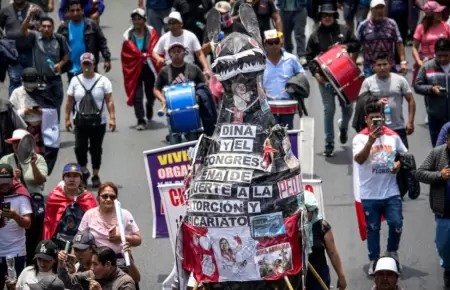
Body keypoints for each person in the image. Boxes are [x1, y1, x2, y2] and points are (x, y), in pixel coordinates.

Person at [352, 101, 407, 275]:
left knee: (396, 223)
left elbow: (404, 157)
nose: (376, 121)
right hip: (369, 194)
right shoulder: (359, 138)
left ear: (383, 118)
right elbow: (359, 160)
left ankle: (391, 252)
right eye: (372, 118)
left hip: (391, 191)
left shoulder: (393, 136)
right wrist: (370, 142)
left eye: (379, 117)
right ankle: (374, 260)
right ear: (366, 120)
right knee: (373, 229)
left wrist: (398, 164)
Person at [306, 3, 360, 157]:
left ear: (335, 16)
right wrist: (317, 75)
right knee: (329, 110)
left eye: (330, 15)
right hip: (325, 79)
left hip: (344, 77)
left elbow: (357, 44)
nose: (327, 18)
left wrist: (346, 47)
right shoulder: (315, 35)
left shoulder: (344, 30)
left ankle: (343, 127)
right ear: (321, 17)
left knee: (348, 108)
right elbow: (309, 58)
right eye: (324, 15)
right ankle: (329, 143)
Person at [65, 52, 116, 187]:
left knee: (96, 149)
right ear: (81, 65)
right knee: (79, 148)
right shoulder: (75, 80)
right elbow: (69, 101)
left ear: (94, 65)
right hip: (80, 121)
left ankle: (95, 174)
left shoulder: (103, 81)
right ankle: (84, 170)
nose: (87, 67)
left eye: (89, 64)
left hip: (98, 122)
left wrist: (112, 118)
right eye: (84, 64)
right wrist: (67, 119)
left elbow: (109, 100)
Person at [153, 42, 210, 144]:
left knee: (193, 143)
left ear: (185, 52)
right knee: (174, 144)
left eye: (179, 51)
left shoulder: (194, 68)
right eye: (173, 52)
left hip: (192, 114)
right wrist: (162, 100)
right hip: (172, 114)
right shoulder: (164, 71)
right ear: (169, 54)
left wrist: (198, 96)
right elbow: (156, 89)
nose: (176, 54)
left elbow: (205, 85)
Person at [415, 126, 450, 289]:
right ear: (448, 140)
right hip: (445, 213)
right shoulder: (437, 153)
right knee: (444, 245)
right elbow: (420, 173)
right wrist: (439, 175)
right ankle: (448, 269)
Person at [358, 52, 416, 148]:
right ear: (374, 67)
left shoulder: (400, 80)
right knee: (380, 159)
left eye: (385, 64)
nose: (382, 68)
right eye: (379, 65)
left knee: (403, 159)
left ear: (390, 65)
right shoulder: (368, 82)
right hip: (376, 129)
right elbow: (361, 103)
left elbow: (411, 100)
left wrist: (410, 121)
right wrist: (376, 103)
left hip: (398, 128)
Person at [9, 68, 60, 175]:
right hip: (24, 130)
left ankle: (39, 177)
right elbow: (11, 113)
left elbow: (53, 110)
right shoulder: (17, 93)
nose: (30, 88)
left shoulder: (44, 91)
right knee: (24, 157)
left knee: (41, 157)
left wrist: (41, 111)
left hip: (42, 130)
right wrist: (25, 111)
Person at [121, 8, 164, 130]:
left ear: (144, 20)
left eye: (139, 19)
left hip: (149, 66)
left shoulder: (151, 33)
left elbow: (155, 48)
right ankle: (140, 119)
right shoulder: (128, 35)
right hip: (135, 68)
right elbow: (126, 53)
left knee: (151, 92)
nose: (136, 21)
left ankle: (149, 104)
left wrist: (150, 56)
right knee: (137, 94)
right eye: (134, 19)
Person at [21, 12, 70, 118]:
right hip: (40, 81)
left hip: (55, 81)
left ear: (53, 28)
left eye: (49, 26)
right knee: (40, 112)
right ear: (39, 28)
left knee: (55, 112)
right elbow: (23, 29)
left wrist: (60, 64)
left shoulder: (59, 39)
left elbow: (67, 55)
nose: (46, 29)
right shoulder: (35, 37)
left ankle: (54, 133)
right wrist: (29, 15)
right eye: (44, 26)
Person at [77, 182, 142, 264]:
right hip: (95, 264)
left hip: (119, 262)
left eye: (112, 197)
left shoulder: (125, 215)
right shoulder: (89, 214)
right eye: (104, 196)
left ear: (116, 199)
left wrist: (122, 238)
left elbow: (138, 240)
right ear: (98, 198)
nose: (108, 199)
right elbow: (79, 240)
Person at [43, 163, 97, 250]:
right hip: (58, 245)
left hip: (81, 246)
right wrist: (47, 247)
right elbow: (48, 224)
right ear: (63, 178)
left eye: (75, 176)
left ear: (80, 179)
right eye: (68, 176)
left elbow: (94, 226)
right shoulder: (55, 196)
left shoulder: (88, 198)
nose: (72, 179)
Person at [57, 0, 111, 82]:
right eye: (72, 11)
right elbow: (57, 46)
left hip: (88, 67)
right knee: (75, 93)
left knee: (90, 92)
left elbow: (102, 42)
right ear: (68, 12)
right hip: (71, 69)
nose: (75, 13)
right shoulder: (63, 28)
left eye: (78, 10)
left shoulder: (92, 25)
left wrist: (107, 59)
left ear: (82, 11)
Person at [303, 190, 347, 290]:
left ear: (313, 211)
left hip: (319, 279)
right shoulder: (292, 229)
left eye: (307, 211)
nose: (304, 215)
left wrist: (341, 276)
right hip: (298, 280)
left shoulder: (322, 226)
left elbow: (333, 253)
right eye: (302, 211)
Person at [263, 29, 305, 130]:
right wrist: (262, 91)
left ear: (280, 43)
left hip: (287, 106)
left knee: (287, 137)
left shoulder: (291, 59)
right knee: (270, 139)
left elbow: (302, 76)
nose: (274, 46)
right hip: (267, 107)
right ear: (265, 44)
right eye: (270, 43)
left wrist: (293, 85)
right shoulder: (260, 62)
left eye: (276, 42)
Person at [0, 0, 45, 96]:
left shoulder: (35, 9)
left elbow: (46, 24)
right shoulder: (5, 11)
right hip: (13, 54)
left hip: (32, 53)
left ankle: (31, 108)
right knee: (15, 81)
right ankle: (14, 109)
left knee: (32, 82)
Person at [0, 164, 33, 289]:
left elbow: (28, 224)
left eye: (7, 180)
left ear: (12, 179)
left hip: (15, 253)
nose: (4, 184)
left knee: (15, 287)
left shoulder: (20, 195)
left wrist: (15, 216)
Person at [414, 37, 450, 147]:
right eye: (439, 56)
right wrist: (431, 89)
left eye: (446, 55)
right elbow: (417, 86)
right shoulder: (427, 66)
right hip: (436, 117)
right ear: (434, 53)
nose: (442, 59)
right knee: (438, 150)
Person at [356, 0, 407, 77]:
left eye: (382, 7)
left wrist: (402, 62)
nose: (379, 10)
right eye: (376, 8)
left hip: (389, 65)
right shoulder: (364, 25)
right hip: (370, 67)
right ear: (371, 9)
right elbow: (356, 45)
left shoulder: (392, 24)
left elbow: (399, 42)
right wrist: (353, 64)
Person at [154, 11, 209, 76]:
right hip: (170, 72)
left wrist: (206, 67)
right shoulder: (164, 38)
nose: (172, 26)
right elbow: (154, 52)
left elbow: (199, 54)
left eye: (174, 23)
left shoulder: (191, 36)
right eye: (170, 24)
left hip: (189, 71)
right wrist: (158, 58)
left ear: (181, 24)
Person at [57, 246, 136, 290]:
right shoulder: (91, 274)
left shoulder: (125, 282)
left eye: (95, 264)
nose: (91, 268)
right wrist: (61, 264)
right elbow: (66, 282)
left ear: (107, 264)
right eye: (92, 264)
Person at [412, 1, 450, 83]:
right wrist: (418, 61)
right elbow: (414, 48)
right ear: (430, 14)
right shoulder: (421, 27)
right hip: (427, 64)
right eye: (437, 12)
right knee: (429, 90)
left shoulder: (445, 26)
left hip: (444, 61)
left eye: (440, 11)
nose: (440, 13)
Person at [0, 129, 47, 194]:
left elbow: (40, 181)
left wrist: (33, 165)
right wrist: (14, 179)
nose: (16, 144)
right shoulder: (5, 160)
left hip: (34, 198)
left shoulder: (38, 158)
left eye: (19, 141)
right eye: (14, 142)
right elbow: (2, 183)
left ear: (27, 142)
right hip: (13, 198)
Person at [277, 0, 308, 65]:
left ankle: (302, 55)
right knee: (285, 34)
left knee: (299, 33)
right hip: (284, 9)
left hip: (299, 9)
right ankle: (288, 54)